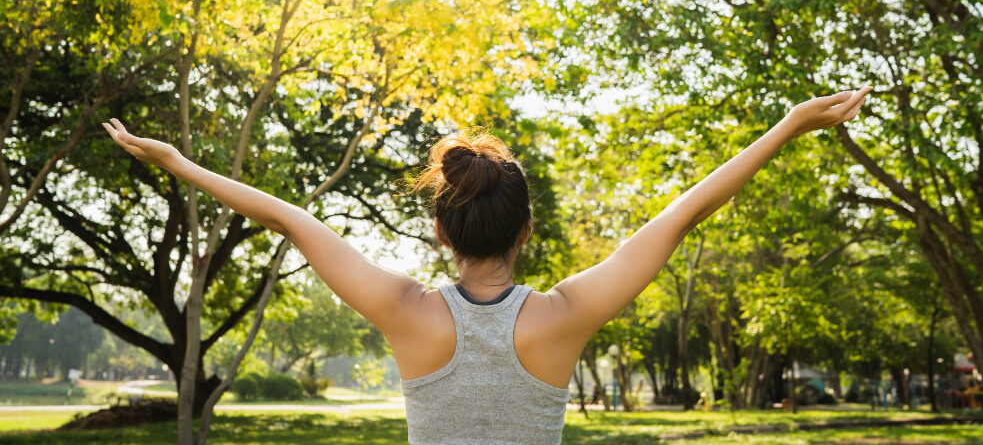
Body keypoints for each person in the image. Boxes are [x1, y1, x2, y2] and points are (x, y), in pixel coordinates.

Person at [103, 86, 871, 444]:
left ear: (441, 232)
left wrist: (176, 159)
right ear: (527, 230)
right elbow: (682, 215)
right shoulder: (563, 319)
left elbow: (287, 216)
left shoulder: (406, 312)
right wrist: (790, 124)